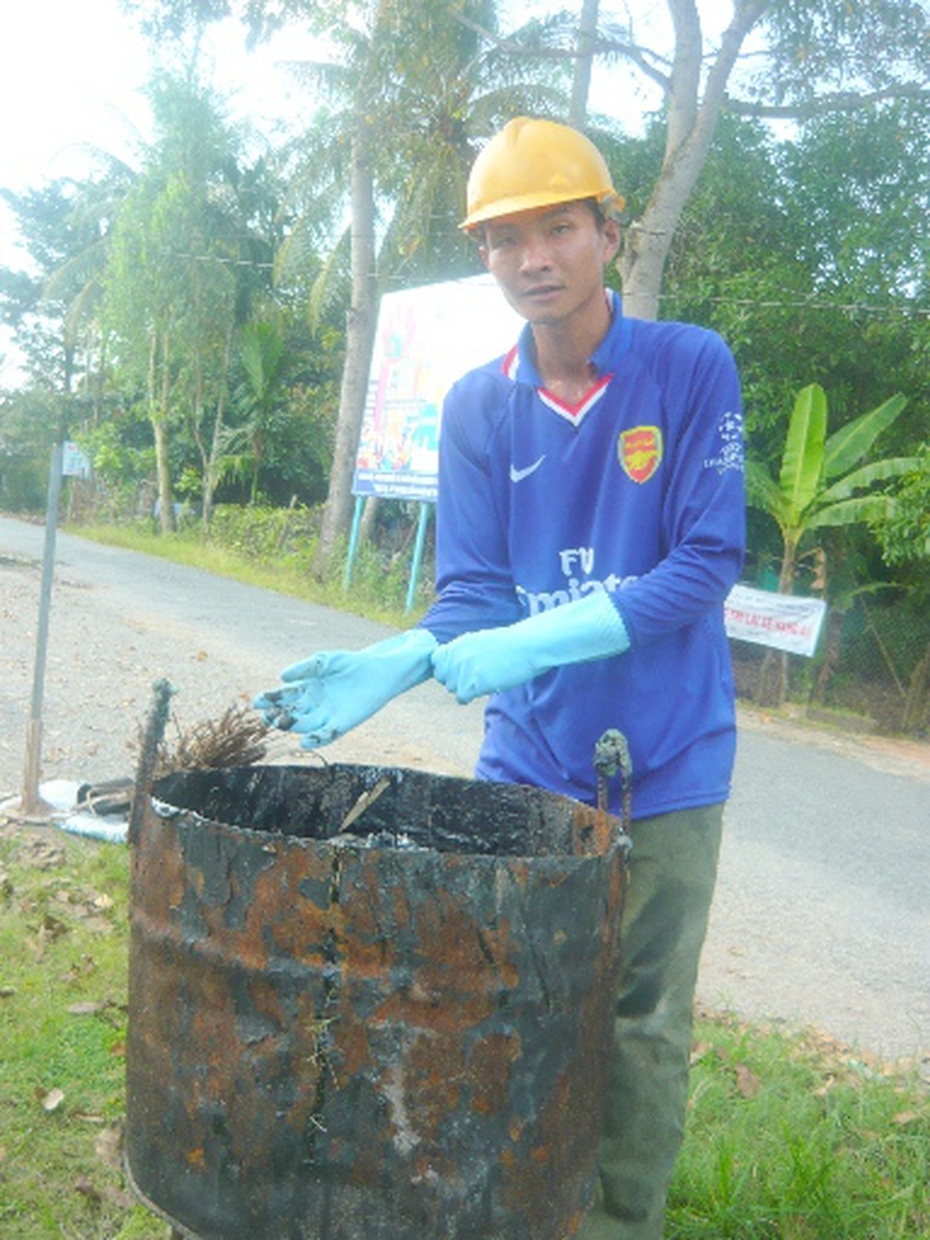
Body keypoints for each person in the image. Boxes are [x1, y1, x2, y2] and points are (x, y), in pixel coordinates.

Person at [256, 116, 746, 1239]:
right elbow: (473, 593)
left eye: (559, 228)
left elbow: (707, 562)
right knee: (510, 989)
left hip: (668, 756)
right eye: (504, 238)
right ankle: (510, 1203)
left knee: (639, 1018)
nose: (534, 257)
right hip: (526, 754)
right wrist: (410, 651)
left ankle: (618, 1221)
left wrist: (549, 634)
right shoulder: (478, 405)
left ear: (609, 234)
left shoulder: (686, 366)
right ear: (486, 256)